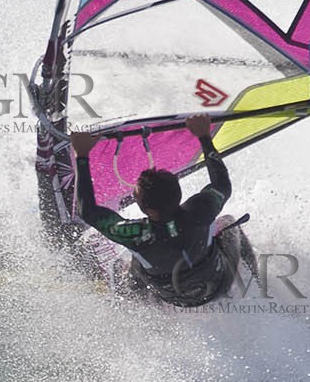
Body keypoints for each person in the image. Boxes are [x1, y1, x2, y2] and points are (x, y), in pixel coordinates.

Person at [68, 113, 248, 307]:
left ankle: (129, 309)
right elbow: (222, 185)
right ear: (178, 193)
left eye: (135, 193)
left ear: (146, 208)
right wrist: (204, 136)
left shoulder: (136, 234)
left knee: (128, 263)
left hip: (171, 298)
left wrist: (82, 156)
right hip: (217, 285)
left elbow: (88, 211)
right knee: (228, 223)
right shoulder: (199, 210)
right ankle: (258, 278)